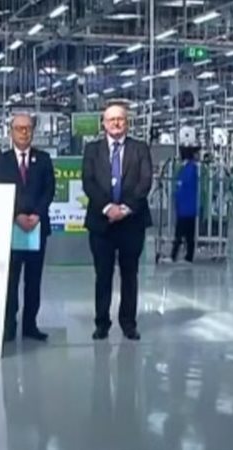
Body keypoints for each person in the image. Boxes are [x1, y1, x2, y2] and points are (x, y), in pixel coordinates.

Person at [82, 102, 153, 341]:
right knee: (102, 275)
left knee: (129, 275)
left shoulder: (140, 148)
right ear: (104, 123)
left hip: (132, 222)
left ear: (127, 123)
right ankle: (101, 323)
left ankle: (128, 323)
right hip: (101, 224)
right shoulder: (92, 150)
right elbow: (88, 182)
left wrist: (124, 209)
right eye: (111, 119)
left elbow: (145, 182)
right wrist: (107, 208)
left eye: (120, 119)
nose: (116, 123)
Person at [0, 113, 55, 342]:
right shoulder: (2, 160)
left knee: (33, 280)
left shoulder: (44, 159)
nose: (24, 132)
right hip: (11, 227)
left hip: (38, 227)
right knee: (10, 280)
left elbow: (49, 190)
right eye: (19, 128)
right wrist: (16, 214)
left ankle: (30, 325)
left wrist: (37, 214)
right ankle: (9, 325)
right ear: (11, 131)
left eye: (28, 128)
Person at [171, 147, 199, 263]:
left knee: (179, 234)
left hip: (184, 208)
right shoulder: (192, 169)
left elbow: (180, 187)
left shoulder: (187, 169)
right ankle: (188, 256)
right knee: (189, 235)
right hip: (190, 207)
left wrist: (176, 198)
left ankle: (174, 255)